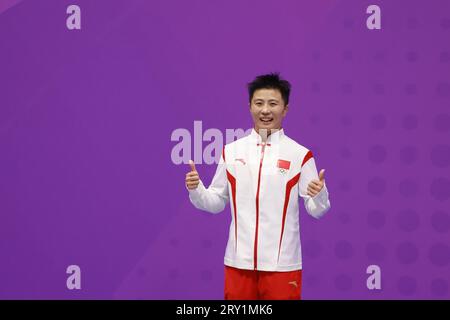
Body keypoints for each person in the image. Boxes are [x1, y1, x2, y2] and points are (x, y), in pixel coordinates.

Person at [185, 73, 331, 300]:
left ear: (285, 109)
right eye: (259, 103)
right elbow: (216, 202)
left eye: (273, 104)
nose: (265, 110)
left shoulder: (300, 155)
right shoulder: (231, 151)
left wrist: (320, 195)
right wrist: (197, 190)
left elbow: (317, 210)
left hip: (282, 266)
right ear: (250, 107)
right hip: (238, 263)